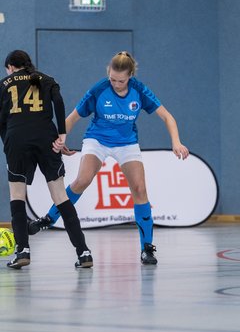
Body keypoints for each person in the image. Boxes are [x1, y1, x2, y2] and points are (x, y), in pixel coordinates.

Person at [29, 51, 189, 265]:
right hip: (97, 140)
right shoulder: (99, 90)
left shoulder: (139, 91)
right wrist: (59, 140)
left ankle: (147, 248)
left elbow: (167, 116)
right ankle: (49, 218)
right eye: (112, 79)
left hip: (127, 143)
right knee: (82, 181)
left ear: (130, 75)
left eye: (121, 81)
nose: (116, 84)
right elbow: (73, 117)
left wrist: (176, 142)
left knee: (140, 190)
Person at [0, 50, 93, 269]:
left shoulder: (4, 84)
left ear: (11, 67)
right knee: (61, 196)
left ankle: (22, 250)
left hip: (17, 138)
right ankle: (84, 252)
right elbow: (58, 102)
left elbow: (1, 122)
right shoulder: (46, 79)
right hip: (46, 138)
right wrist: (61, 134)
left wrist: (8, 142)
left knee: (17, 196)